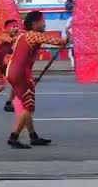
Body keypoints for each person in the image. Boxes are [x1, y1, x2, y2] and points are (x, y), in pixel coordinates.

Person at [5, 11, 68, 148]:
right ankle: (13, 137)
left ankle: (33, 136)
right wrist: (68, 37)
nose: (45, 23)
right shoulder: (33, 35)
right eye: (42, 21)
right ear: (35, 23)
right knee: (28, 107)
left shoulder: (22, 34)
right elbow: (57, 41)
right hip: (21, 74)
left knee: (27, 105)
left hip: (14, 71)